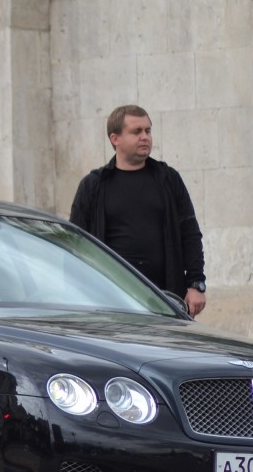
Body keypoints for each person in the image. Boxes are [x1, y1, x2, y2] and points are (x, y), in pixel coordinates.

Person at [70, 104, 207, 316]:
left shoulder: (168, 179)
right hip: (112, 301)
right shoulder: (93, 186)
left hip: (166, 298)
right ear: (115, 139)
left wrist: (196, 284)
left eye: (148, 130)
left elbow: (190, 233)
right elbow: (76, 245)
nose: (145, 137)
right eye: (136, 131)